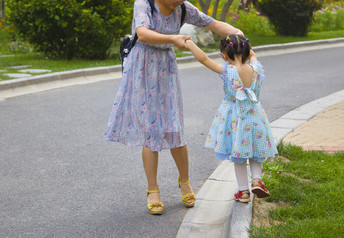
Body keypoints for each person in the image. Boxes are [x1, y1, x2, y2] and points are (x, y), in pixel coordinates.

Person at [104, 0, 244, 215]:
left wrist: (237, 32)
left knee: (174, 126)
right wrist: (172, 38)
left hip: (166, 67)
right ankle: (153, 189)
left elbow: (213, 24)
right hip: (142, 67)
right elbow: (142, 33)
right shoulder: (144, 3)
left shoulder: (183, 8)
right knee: (150, 130)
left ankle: (184, 181)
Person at [185, 34, 278, 203]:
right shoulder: (256, 68)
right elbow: (252, 55)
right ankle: (257, 180)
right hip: (256, 117)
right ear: (247, 50)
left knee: (239, 155)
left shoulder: (227, 71)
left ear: (224, 54)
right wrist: (245, 45)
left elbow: (204, 59)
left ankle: (243, 192)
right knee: (257, 152)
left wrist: (189, 43)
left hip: (236, 120)